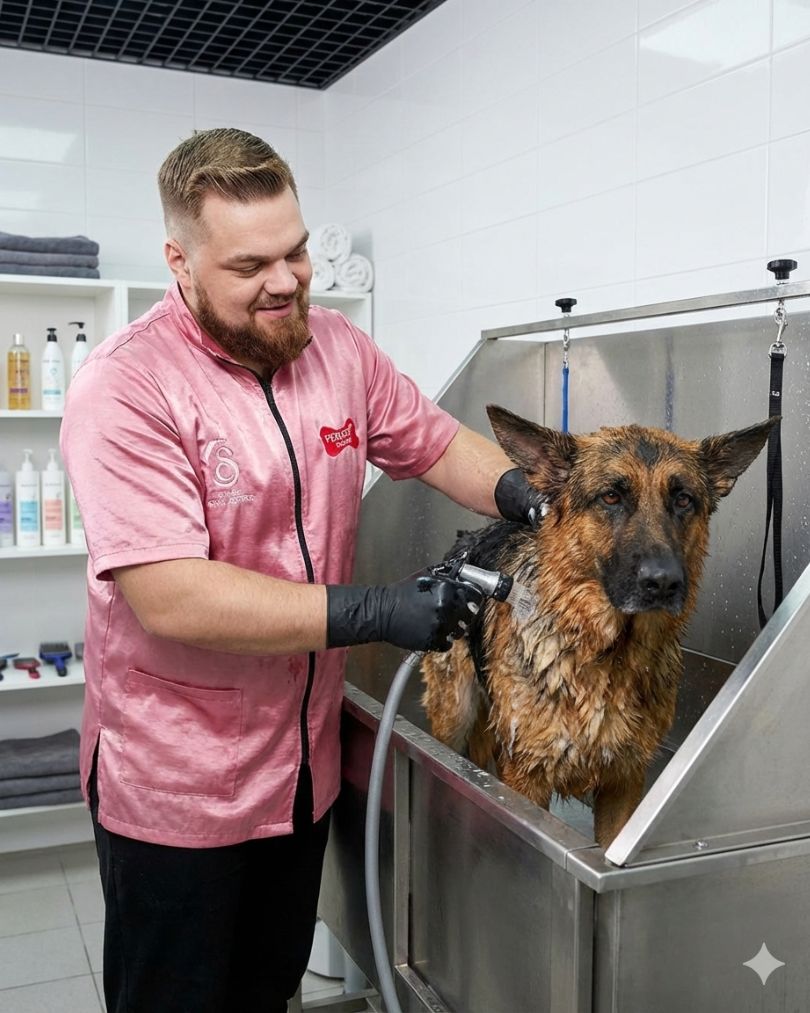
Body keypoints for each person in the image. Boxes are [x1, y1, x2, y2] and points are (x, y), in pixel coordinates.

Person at [60, 127, 542, 1013]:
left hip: (299, 773)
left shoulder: (336, 351)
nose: (284, 281)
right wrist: (378, 610)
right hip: (178, 789)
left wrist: (526, 492)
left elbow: (431, 443)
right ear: (180, 259)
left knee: (263, 993)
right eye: (250, 266)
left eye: (296, 251)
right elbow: (171, 594)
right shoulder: (125, 388)